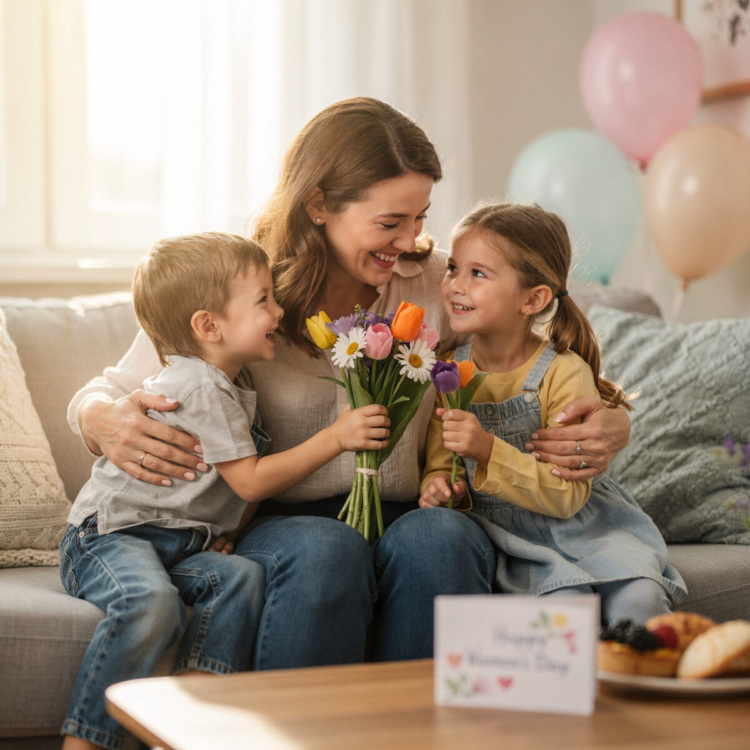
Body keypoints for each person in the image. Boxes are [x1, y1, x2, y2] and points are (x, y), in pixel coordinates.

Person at [67, 98, 633, 668]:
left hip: (408, 509)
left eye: (420, 217)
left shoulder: (437, 284)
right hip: (282, 521)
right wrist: (97, 418)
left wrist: (615, 420)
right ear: (318, 205)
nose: (411, 240)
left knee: (445, 538)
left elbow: (530, 346)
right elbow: (114, 388)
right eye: (390, 223)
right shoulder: (242, 290)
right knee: (325, 548)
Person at [60, 233, 389, 750]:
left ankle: (188, 728)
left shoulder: (231, 384)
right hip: (110, 536)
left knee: (237, 578)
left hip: (174, 540)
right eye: (264, 300)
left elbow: (233, 490)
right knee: (150, 604)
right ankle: (87, 741)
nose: (279, 311)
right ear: (209, 326)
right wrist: (336, 438)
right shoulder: (199, 384)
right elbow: (250, 478)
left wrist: (224, 530)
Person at [420, 203, 686, 625]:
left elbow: (566, 497)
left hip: (586, 527)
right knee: (564, 614)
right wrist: (439, 486)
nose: (454, 284)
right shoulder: (446, 370)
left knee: (641, 605)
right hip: (516, 542)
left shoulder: (563, 372)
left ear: (534, 299)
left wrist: (487, 449)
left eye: (478, 274)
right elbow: (441, 465)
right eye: (453, 268)